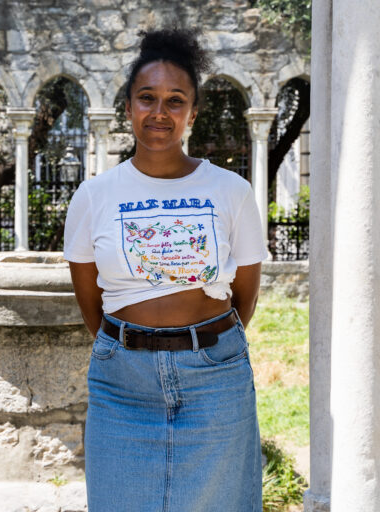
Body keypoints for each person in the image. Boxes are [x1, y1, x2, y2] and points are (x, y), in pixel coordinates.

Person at [63, 27, 268, 512]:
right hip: (122, 384)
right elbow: (91, 302)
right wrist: (134, 343)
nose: (160, 112)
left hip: (215, 378)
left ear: (193, 113)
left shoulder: (231, 192)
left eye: (175, 101)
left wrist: (199, 341)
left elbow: (245, 297)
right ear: (128, 107)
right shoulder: (93, 197)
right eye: (147, 98)